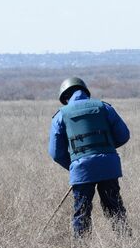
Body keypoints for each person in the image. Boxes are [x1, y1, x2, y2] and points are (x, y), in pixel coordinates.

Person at [49, 77, 131, 237]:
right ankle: (126, 246)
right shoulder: (105, 107)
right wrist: (105, 151)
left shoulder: (60, 115)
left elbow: (56, 153)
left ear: (65, 97)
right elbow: (124, 135)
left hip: (81, 170)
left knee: (82, 213)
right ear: (85, 91)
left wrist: (74, 166)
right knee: (115, 208)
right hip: (109, 167)